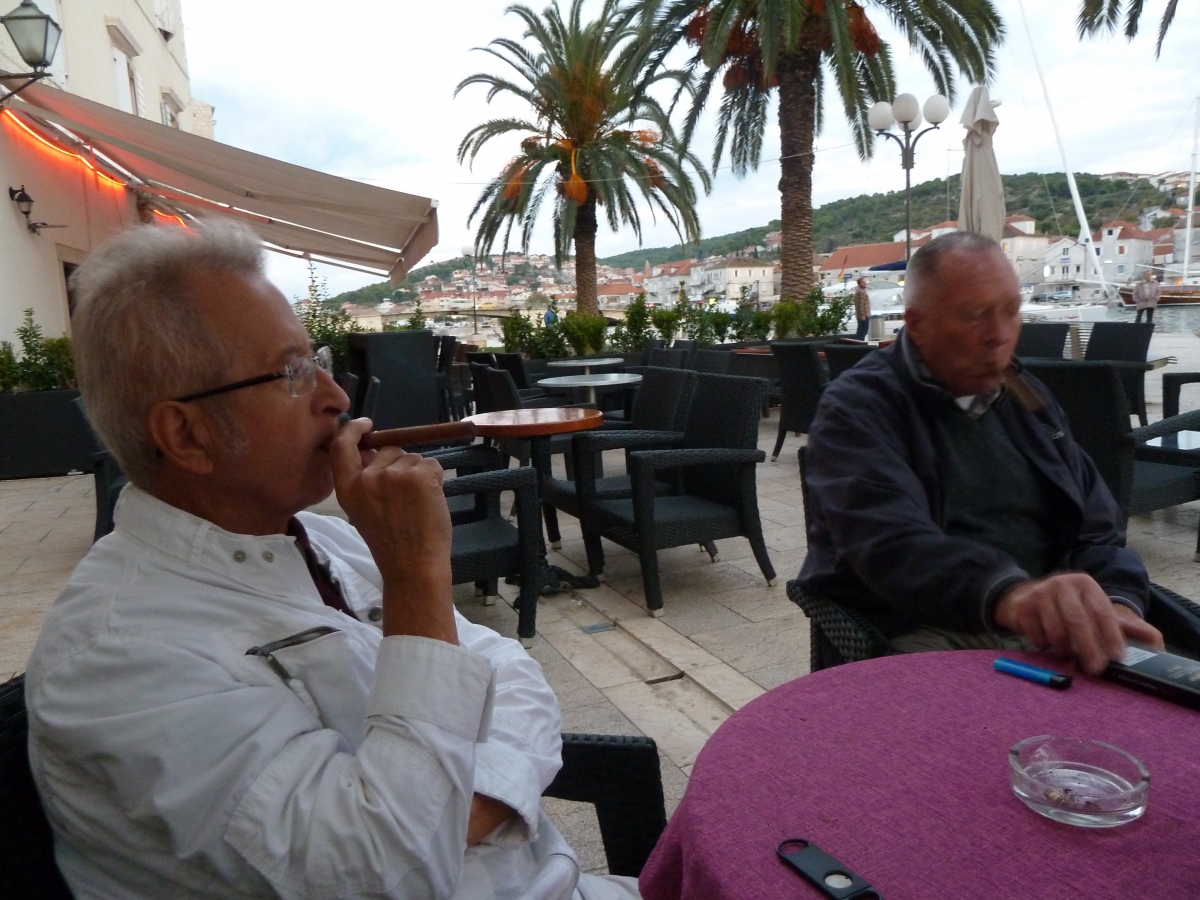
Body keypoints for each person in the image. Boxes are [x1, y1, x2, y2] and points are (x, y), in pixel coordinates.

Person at [25, 222, 639, 900]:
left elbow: (512, 673)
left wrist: (463, 806)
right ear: (187, 434)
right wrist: (415, 576)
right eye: (292, 373)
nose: (338, 398)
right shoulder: (119, 658)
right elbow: (393, 871)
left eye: (315, 358)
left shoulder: (325, 539)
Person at [797, 232, 1164, 676]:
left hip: (1045, 618)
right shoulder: (859, 407)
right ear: (916, 324)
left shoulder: (1025, 394)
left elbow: (1095, 521)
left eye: (1011, 311)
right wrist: (1010, 595)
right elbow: (890, 544)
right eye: (975, 315)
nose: (1000, 336)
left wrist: (1118, 599)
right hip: (924, 623)